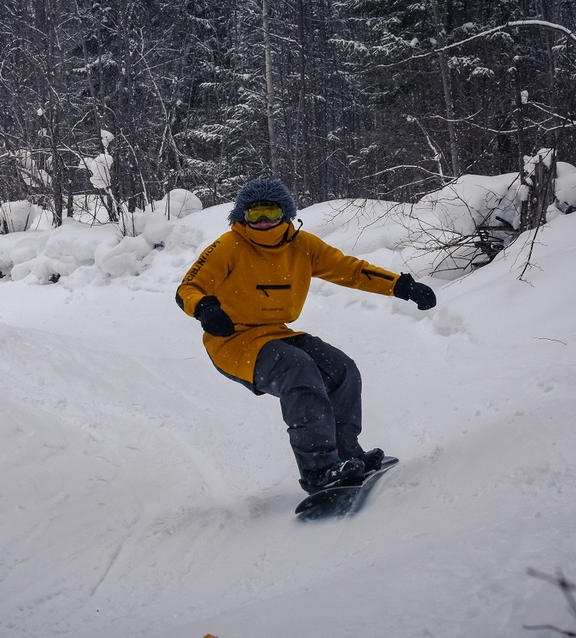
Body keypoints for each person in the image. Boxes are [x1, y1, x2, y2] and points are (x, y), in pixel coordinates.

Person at [175, 178, 436, 495]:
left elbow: (350, 269)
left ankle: (345, 455)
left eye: (270, 213)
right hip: (233, 341)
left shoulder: (302, 246)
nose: (263, 222)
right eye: (255, 214)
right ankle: (319, 470)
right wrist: (205, 308)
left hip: (278, 333)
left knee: (341, 369)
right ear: (241, 217)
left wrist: (401, 286)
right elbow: (188, 287)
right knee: (297, 370)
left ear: (285, 214)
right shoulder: (229, 246)